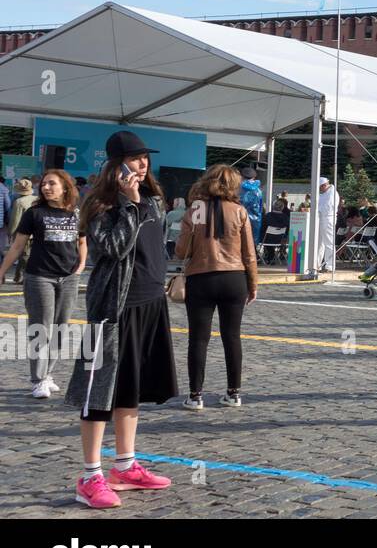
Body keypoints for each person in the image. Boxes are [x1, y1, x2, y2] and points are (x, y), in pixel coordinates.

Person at [64, 130, 178, 510]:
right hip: (112, 309)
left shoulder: (153, 200)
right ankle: (90, 476)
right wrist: (129, 205)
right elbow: (113, 248)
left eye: (145, 157)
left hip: (149, 302)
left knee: (131, 388)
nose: (143, 164)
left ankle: (125, 467)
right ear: (116, 165)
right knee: (99, 393)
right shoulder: (100, 206)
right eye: (135, 158)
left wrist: (139, 202)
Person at [176, 164, 258, 410]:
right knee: (232, 336)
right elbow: (249, 254)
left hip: (201, 277)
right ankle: (233, 393)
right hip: (234, 278)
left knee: (198, 339)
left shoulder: (195, 210)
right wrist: (252, 283)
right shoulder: (240, 211)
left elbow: (181, 251)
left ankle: (195, 395)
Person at [0, 169, 85, 399]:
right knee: (41, 329)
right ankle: (38, 380)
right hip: (40, 277)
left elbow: (82, 241)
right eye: (44, 184)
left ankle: (48, 374)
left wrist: (80, 267)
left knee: (60, 328)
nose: (46, 187)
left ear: (65, 187)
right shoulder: (34, 213)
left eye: (52, 184)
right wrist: (2, 270)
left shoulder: (76, 213)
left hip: (68, 279)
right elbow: (17, 246)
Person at [7, 177, 38, 282]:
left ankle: (19, 277)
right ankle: (21, 276)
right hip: (37, 232)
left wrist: (11, 233)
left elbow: (15, 219)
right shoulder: (37, 199)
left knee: (24, 256)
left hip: (24, 233)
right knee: (32, 255)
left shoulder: (19, 202)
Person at [315, 176, 338, 273]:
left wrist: (316, 210)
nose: (319, 190)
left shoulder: (332, 193)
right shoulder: (325, 193)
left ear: (324, 185)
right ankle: (317, 265)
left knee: (329, 243)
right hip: (321, 218)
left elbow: (326, 208)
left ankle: (330, 266)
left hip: (328, 218)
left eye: (320, 188)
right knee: (319, 243)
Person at [239, 167, 264, 245]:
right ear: (254, 177)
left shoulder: (238, 188)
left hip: (240, 219)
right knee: (252, 245)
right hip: (255, 220)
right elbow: (260, 207)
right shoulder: (259, 191)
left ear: (242, 176)